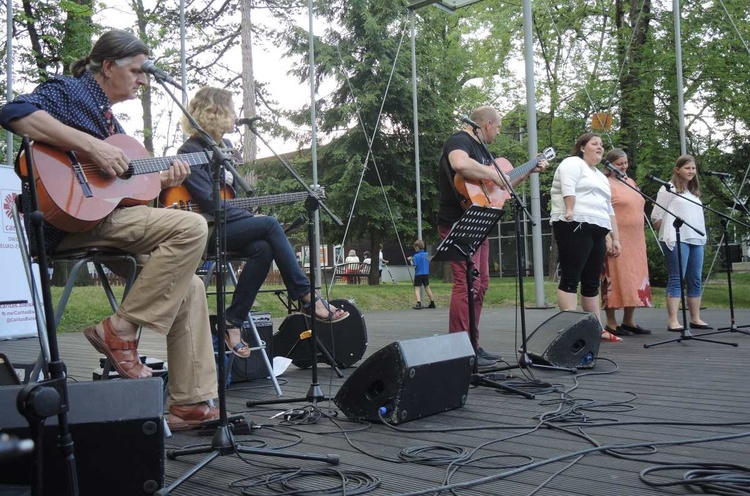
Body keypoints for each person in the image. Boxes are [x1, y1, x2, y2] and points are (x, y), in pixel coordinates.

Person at [0, 30, 219, 430]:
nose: (143, 79)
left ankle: (189, 403)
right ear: (107, 66)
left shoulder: (110, 120)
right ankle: (119, 330)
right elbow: (13, 113)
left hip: (102, 221)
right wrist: (91, 146)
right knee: (190, 227)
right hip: (61, 224)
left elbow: (122, 193)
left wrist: (165, 178)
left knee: (191, 285)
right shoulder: (68, 91)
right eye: (136, 71)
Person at [177, 87, 349, 327]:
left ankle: (233, 320)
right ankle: (306, 296)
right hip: (206, 228)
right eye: (232, 109)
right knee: (268, 224)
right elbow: (211, 203)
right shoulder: (189, 151)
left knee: (263, 248)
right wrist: (252, 218)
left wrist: (247, 215)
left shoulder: (226, 146)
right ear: (216, 112)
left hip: (229, 225)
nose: (236, 115)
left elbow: (231, 197)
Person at [437, 106, 548, 366]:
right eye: (497, 127)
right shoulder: (459, 140)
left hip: (480, 220)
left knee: (482, 283)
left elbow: (501, 190)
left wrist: (528, 170)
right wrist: (493, 173)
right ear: (486, 124)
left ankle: (472, 343)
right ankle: (459, 347)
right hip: (457, 222)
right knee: (466, 283)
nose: (498, 133)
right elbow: (460, 164)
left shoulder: (484, 151)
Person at [550, 133, 621, 342]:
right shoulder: (572, 163)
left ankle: (595, 329)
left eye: (602, 144)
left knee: (591, 282)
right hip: (574, 224)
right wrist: (570, 209)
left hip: (598, 229)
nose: (600, 147)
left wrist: (615, 237)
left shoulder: (600, 175)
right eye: (595, 144)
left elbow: (609, 208)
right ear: (582, 147)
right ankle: (570, 329)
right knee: (571, 278)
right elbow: (568, 187)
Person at [650, 154, 712, 332]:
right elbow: (656, 216)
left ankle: (695, 318)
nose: (691, 171)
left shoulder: (693, 193)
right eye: (687, 168)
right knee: (677, 278)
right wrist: (666, 233)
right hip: (676, 239)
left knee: (695, 278)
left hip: (696, 239)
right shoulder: (668, 189)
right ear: (678, 169)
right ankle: (673, 321)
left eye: (693, 168)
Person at [600, 149, 653, 336]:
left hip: (636, 239)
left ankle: (629, 321)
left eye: (625, 163)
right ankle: (611, 323)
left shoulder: (631, 182)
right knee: (614, 277)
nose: (623, 166)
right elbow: (603, 210)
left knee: (634, 277)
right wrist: (609, 237)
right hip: (618, 237)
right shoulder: (605, 183)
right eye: (619, 163)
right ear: (609, 165)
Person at [409, 239, 436, 310]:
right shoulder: (426, 254)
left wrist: (411, 260)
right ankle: (432, 303)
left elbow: (414, 266)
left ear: (417, 247)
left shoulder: (416, 256)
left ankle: (418, 303)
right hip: (426, 273)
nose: (415, 249)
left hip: (418, 274)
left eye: (415, 248)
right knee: (427, 287)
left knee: (417, 288)